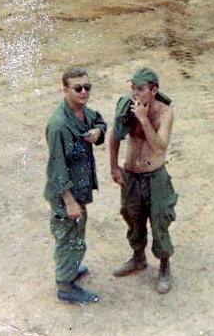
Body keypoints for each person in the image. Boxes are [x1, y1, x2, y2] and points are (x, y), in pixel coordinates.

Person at [110, 68, 177, 294]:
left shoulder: (165, 112)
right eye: (133, 88)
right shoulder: (127, 107)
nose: (135, 94)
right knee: (132, 217)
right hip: (131, 175)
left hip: (155, 176)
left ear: (154, 90)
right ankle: (138, 257)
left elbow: (160, 146)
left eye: (140, 89)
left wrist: (144, 120)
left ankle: (164, 266)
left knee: (160, 220)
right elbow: (115, 135)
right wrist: (114, 166)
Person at [44, 67, 107, 304]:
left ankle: (70, 270)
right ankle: (65, 286)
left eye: (87, 87)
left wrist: (98, 132)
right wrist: (69, 201)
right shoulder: (60, 125)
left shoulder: (81, 112)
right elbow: (56, 168)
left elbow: (99, 121)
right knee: (68, 238)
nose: (83, 92)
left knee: (76, 235)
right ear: (65, 90)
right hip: (66, 194)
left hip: (79, 189)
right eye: (77, 88)